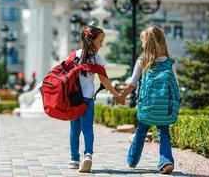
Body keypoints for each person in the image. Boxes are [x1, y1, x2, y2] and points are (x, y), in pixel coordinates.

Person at [116, 26, 179, 174]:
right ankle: (166, 161)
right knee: (164, 133)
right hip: (165, 108)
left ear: (146, 43)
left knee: (141, 132)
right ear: (162, 41)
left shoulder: (142, 61)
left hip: (147, 106)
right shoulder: (170, 62)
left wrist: (122, 97)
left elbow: (132, 83)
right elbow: (175, 85)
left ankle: (132, 160)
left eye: (142, 41)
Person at [69, 25, 120, 173]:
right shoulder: (97, 58)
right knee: (87, 128)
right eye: (100, 41)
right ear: (91, 41)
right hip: (87, 99)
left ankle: (74, 159)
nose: (102, 44)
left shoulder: (74, 56)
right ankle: (88, 155)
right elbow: (104, 80)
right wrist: (116, 94)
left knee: (74, 130)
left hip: (73, 99)